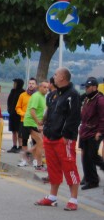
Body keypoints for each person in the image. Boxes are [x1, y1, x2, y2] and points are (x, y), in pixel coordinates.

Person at [35, 68, 81, 211]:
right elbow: (48, 113)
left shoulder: (73, 95)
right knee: (53, 167)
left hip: (64, 139)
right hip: (50, 137)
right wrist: (44, 128)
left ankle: (73, 199)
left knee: (69, 166)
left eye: (56, 74)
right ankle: (52, 197)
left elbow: (74, 117)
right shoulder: (53, 95)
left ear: (62, 77)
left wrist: (67, 135)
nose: (53, 76)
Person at [78, 77, 104, 190]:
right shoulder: (87, 99)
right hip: (85, 131)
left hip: (94, 132)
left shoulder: (100, 100)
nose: (86, 89)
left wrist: (99, 132)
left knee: (93, 156)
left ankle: (93, 179)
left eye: (88, 87)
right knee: (85, 157)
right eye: (85, 87)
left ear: (94, 87)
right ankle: (90, 179)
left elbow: (103, 118)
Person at [19, 81, 48, 170]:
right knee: (41, 142)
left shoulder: (43, 97)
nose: (46, 89)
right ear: (39, 87)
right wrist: (38, 122)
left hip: (35, 122)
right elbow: (32, 111)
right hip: (30, 122)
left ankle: (29, 153)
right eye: (44, 87)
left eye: (47, 87)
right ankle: (38, 164)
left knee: (42, 142)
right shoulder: (36, 96)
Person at [15, 79, 37, 166]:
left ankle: (35, 159)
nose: (31, 85)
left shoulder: (37, 96)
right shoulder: (22, 95)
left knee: (35, 141)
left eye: (33, 83)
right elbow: (18, 107)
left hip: (34, 121)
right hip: (24, 120)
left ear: (36, 85)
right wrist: (23, 114)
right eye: (30, 83)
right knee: (24, 140)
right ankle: (24, 160)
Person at [7, 78, 25, 152]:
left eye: (15, 83)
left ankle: (20, 146)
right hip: (12, 114)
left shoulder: (23, 92)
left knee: (19, 130)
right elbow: (9, 100)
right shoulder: (12, 91)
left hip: (19, 115)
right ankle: (14, 145)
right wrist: (9, 109)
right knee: (13, 130)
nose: (14, 84)